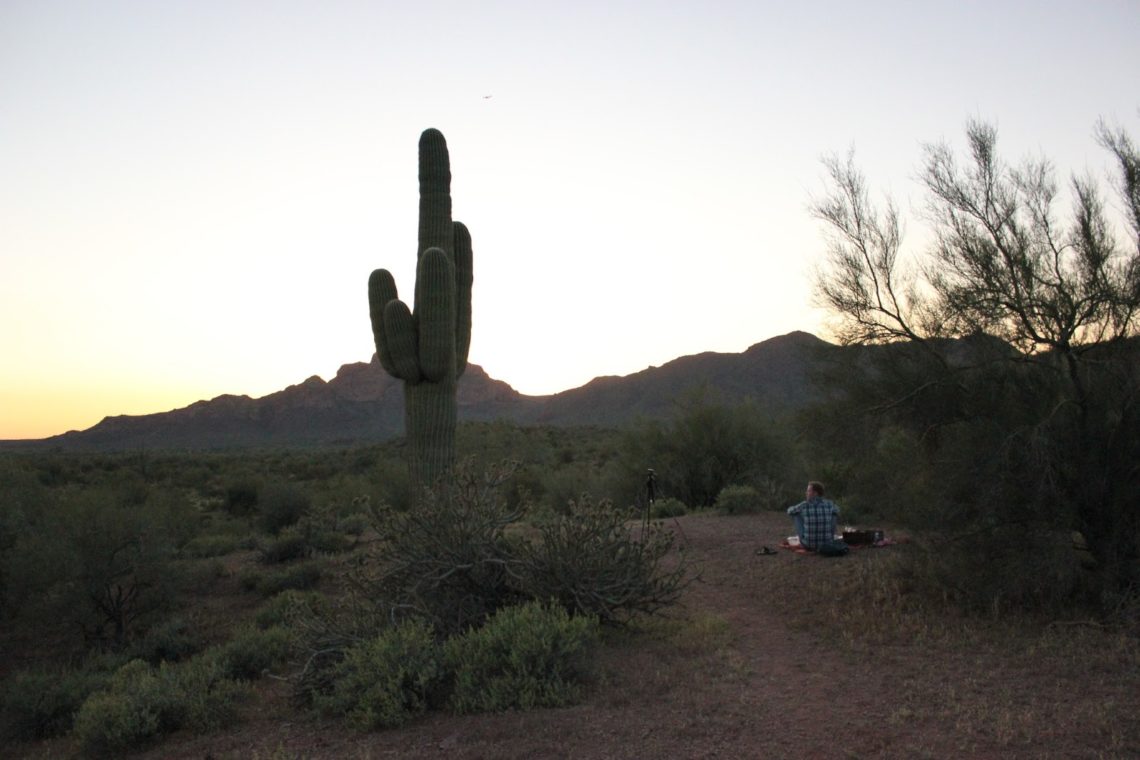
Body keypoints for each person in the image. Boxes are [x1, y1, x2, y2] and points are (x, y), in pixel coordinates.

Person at [787, 481, 840, 551]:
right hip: (827, 544)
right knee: (834, 514)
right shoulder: (829, 504)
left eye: (808, 491)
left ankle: (804, 538)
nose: (806, 493)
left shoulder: (804, 505)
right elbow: (838, 510)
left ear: (815, 493)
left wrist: (798, 511)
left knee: (795, 514)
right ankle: (830, 537)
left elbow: (789, 511)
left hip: (808, 545)